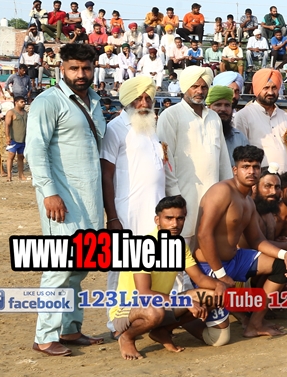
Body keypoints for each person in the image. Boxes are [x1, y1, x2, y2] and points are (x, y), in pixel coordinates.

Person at [25, 43, 109, 355]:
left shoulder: (95, 101)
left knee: (79, 267)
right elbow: (36, 149)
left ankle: (70, 329)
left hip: (89, 198)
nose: (80, 74)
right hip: (60, 199)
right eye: (74, 68)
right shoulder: (48, 101)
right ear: (62, 69)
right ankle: (45, 336)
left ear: (94, 68)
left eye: (86, 68)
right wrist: (49, 193)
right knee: (59, 267)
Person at [111, 195, 231, 360]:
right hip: (127, 310)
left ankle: (162, 331)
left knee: (212, 296)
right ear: (157, 220)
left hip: (161, 304)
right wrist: (186, 302)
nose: (175, 224)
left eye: (180, 218)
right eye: (169, 218)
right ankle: (127, 337)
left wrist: (219, 285)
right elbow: (144, 293)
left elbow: (199, 278)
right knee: (155, 312)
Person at [194, 145, 287, 338]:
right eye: (245, 166)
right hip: (210, 267)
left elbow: (256, 240)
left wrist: (284, 254)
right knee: (219, 339)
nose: (251, 171)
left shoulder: (248, 201)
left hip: (235, 260)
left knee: (282, 265)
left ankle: (254, 324)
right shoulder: (222, 191)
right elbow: (203, 234)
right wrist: (221, 274)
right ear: (235, 169)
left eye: (255, 167)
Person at [158, 66, 232, 238]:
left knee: (209, 240)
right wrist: (174, 195)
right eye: (195, 86)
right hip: (183, 196)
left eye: (204, 87)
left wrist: (228, 192)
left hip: (213, 197)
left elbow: (223, 160)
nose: (200, 91)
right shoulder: (170, 115)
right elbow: (166, 159)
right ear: (185, 87)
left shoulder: (214, 117)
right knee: (182, 242)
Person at [100, 76, 166, 237]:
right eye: (138, 98)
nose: (144, 104)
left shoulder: (150, 127)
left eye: (148, 98)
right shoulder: (114, 129)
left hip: (156, 209)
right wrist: (112, 217)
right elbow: (106, 176)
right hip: (128, 212)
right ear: (128, 100)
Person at [233, 67, 287, 171]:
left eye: (274, 88)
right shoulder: (243, 116)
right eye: (266, 88)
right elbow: (239, 155)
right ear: (257, 88)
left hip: (285, 179)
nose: (270, 92)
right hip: (256, 179)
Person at [207, 84, 249, 158]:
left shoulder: (239, 138)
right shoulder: (198, 134)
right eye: (218, 105)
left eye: (227, 105)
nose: (223, 109)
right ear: (208, 108)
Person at [3, 95, 29, 181]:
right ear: (16, 102)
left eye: (24, 102)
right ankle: (9, 176)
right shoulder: (11, 112)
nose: (24, 103)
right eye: (22, 102)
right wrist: (7, 137)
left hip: (23, 139)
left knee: (21, 157)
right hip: (14, 139)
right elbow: (7, 125)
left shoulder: (25, 113)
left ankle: (21, 175)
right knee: (11, 156)